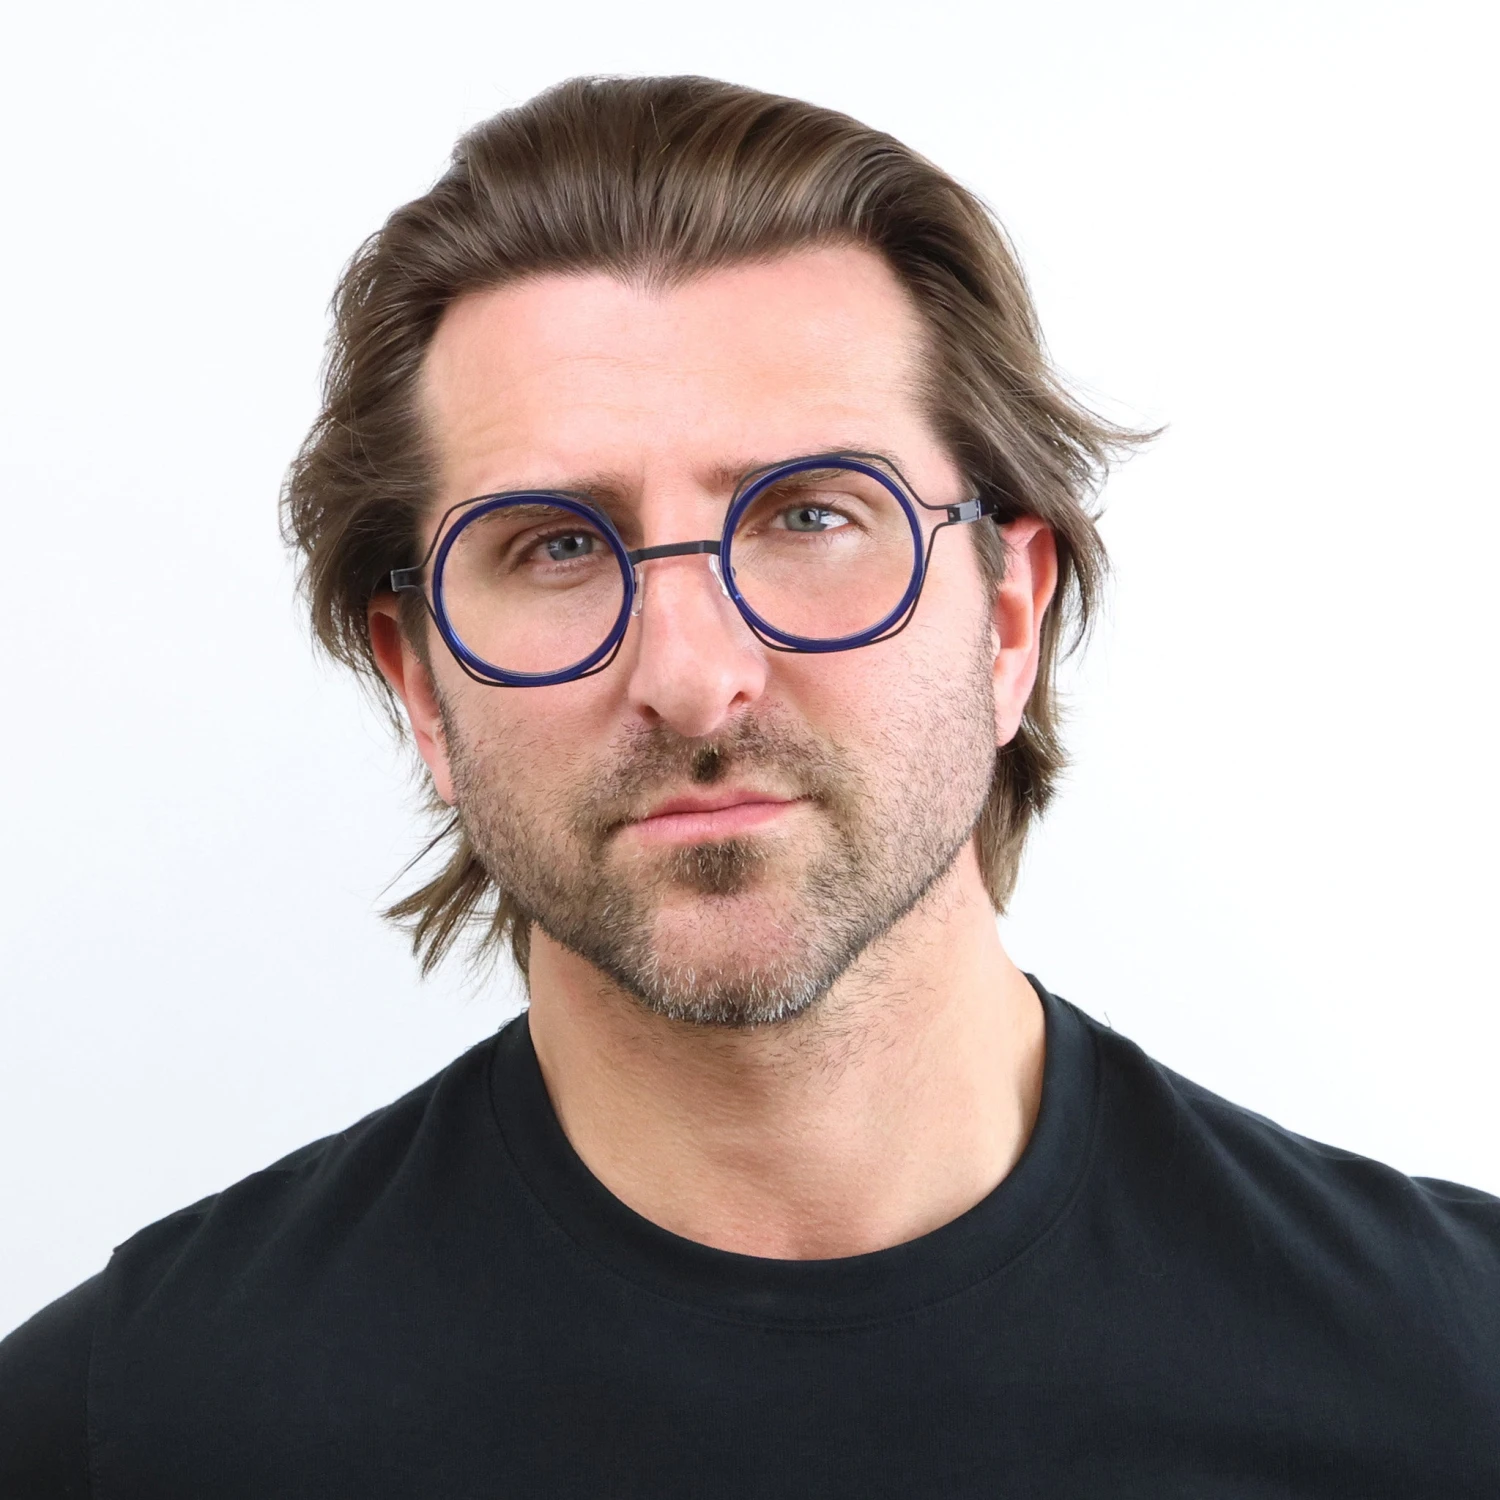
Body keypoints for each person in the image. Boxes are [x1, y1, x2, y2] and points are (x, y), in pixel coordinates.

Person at [2, 73, 1496, 1498]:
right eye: (557, 546)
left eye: (809, 515)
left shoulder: (1454, 1381)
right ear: (421, 688)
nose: (693, 674)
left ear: (1007, 620)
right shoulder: (126, 1434)